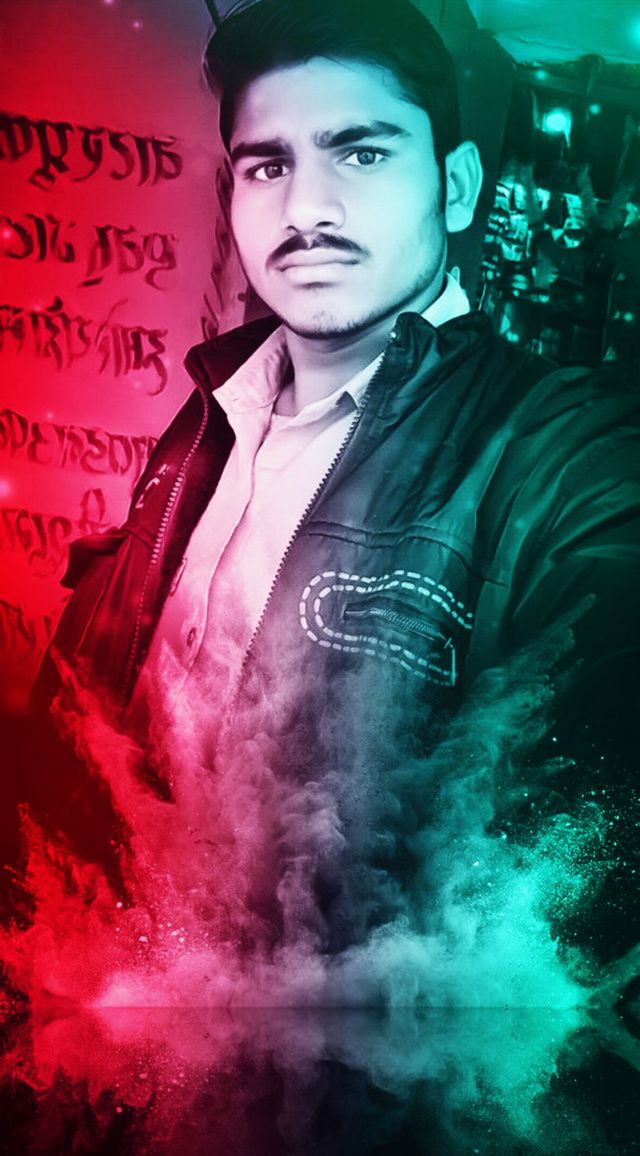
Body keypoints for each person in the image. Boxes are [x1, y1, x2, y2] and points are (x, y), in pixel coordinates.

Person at [24, 0, 640, 959]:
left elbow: (570, 904)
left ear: (457, 186)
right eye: (268, 166)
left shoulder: (566, 452)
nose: (306, 210)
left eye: (362, 153)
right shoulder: (211, 413)